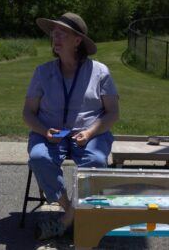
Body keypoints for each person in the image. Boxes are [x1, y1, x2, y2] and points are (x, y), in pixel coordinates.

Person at [23, 12, 119, 240]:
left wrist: (91, 131)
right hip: (49, 133)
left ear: (78, 40)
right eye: (53, 33)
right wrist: (44, 131)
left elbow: (113, 112)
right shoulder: (43, 72)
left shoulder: (100, 72)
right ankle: (72, 213)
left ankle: (64, 222)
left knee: (95, 162)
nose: (55, 37)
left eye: (62, 33)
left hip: (90, 132)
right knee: (38, 157)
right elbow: (28, 113)